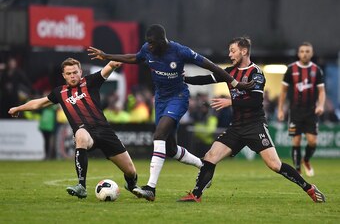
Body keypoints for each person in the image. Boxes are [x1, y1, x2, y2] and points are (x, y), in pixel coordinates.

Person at [87, 24, 254, 201]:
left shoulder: (180, 51)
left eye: (152, 43)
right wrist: (107, 56)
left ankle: (151, 188)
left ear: (161, 41)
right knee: (170, 149)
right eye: (147, 43)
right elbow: (134, 58)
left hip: (178, 97)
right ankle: (202, 165)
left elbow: (211, 66)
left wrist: (236, 83)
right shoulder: (147, 49)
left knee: (159, 135)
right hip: (160, 99)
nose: (149, 46)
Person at [177, 37, 325, 203]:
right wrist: (183, 79)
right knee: (210, 156)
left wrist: (230, 101)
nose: (230, 54)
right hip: (236, 127)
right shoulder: (229, 72)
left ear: (244, 51)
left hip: (255, 126)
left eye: (233, 51)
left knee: (275, 165)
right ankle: (196, 195)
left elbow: (255, 101)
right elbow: (206, 79)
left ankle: (309, 188)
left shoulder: (256, 73)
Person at [8, 58, 141, 199]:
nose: (72, 76)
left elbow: (108, 67)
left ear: (80, 72)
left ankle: (132, 185)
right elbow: (38, 103)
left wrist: (115, 62)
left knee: (131, 171)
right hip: (86, 132)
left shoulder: (90, 82)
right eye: (69, 73)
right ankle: (81, 186)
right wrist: (18, 108)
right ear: (64, 75)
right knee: (80, 135)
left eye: (75, 72)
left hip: (105, 132)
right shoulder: (60, 92)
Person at [277, 42, 326, 177]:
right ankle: (297, 170)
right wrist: (281, 109)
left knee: (312, 141)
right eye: (302, 51)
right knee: (296, 140)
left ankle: (306, 160)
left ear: (311, 53)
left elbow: (321, 91)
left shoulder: (317, 70)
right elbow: (283, 92)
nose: (305, 53)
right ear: (299, 53)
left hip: (311, 111)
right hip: (295, 111)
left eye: (307, 51)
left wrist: (321, 105)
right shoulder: (291, 69)